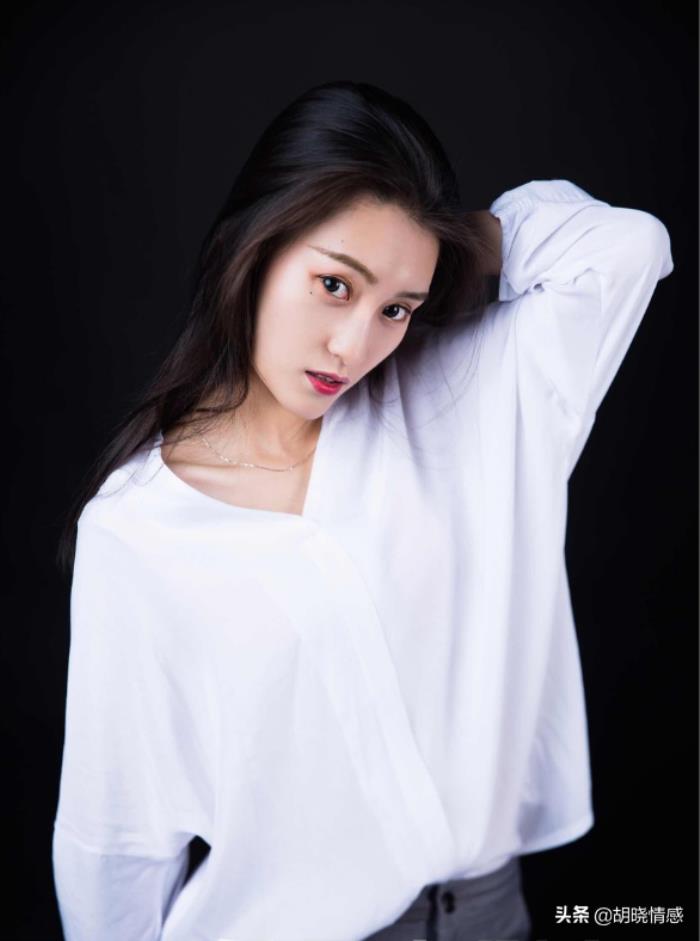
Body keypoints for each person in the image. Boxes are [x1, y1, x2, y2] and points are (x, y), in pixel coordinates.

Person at [51, 79, 674, 941]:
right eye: (334, 284)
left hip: (489, 913)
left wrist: (450, 241)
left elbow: (627, 247)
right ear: (254, 246)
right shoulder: (138, 529)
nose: (354, 346)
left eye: (396, 309)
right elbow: (116, 841)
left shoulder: (462, 400)